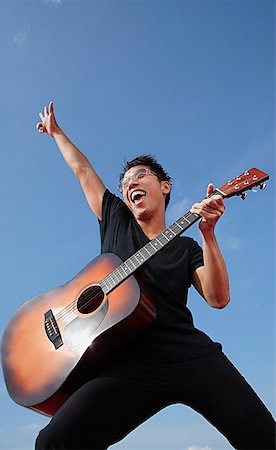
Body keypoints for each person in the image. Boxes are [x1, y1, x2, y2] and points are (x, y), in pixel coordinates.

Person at [35, 102, 275, 450]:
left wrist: (208, 233)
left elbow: (218, 298)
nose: (130, 183)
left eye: (140, 176)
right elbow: (83, 170)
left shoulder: (188, 247)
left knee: (264, 440)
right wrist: (57, 133)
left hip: (189, 354)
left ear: (164, 187)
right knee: (53, 442)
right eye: (125, 182)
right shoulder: (115, 218)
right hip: (128, 363)